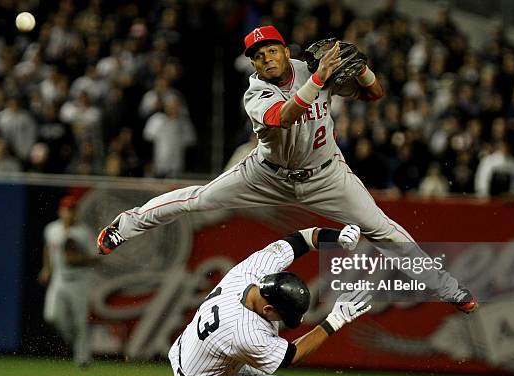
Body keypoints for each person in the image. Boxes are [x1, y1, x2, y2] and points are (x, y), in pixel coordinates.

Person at [97, 26, 477, 313]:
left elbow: (374, 94)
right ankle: (125, 226)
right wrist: (320, 78)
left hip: (327, 175)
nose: (266, 59)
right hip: (265, 175)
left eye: (271, 50)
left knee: (383, 229)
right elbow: (286, 115)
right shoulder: (256, 93)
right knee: (198, 199)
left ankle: (447, 287)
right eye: (258, 56)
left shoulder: (313, 68)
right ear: (253, 64)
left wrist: (361, 69)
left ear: (285, 50)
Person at [169, 224, 371, 376]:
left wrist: (337, 236)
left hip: (187, 352)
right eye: (283, 316)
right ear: (268, 310)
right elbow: (292, 356)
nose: (284, 321)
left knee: (263, 363)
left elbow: (302, 239)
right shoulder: (245, 332)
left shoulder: (250, 272)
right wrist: (336, 319)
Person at [39, 195, 99, 367]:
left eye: (72, 210)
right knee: (52, 315)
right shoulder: (51, 229)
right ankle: (74, 342)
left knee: (80, 321)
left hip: (80, 280)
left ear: (76, 213)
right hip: (59, 278)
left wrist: (77, 259)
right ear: (60, 211)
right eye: (66, 209)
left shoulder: (84, 232)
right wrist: (47, 269)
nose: (69, 213)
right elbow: (48, 249)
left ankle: (82, 358)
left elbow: (97, 258)